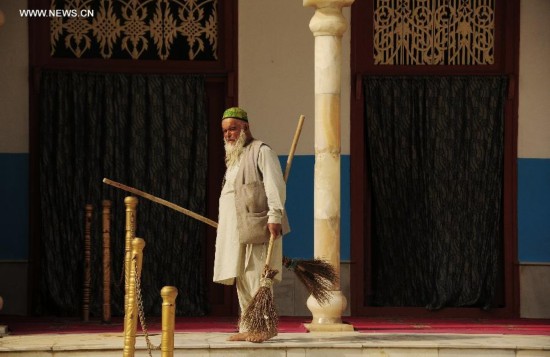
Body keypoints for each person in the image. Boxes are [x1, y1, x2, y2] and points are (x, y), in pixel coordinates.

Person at [213, 107, 289, 343]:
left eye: (233, 129)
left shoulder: (261, 151)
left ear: (245, 127)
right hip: (236, 230)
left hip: (258, 226)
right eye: (225, 131)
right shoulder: (234, 159)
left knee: (256, 276)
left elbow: (274, 186)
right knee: (242, 277)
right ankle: (248, 325)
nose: (228, 135)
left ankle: (264, 326)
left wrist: (275, 216)